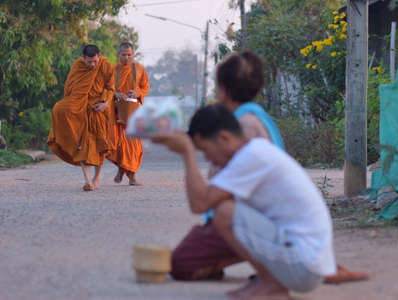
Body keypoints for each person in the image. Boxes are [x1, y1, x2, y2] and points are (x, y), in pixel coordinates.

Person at [170, 51, 368, 284]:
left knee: (181, 263)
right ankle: (318, 266)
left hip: (257, 218)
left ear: (222, 89)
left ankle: (292, 268)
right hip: (266, 217)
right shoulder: (257, 117)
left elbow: (207, 199)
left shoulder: (244, 126)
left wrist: (187, 153)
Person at [152, 104, 336, 299]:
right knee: (226, 210)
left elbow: (200, 204)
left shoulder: (252, 157)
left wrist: (187, 153)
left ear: (224, 138)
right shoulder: (254, 151)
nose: (207, 158)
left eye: (205, 150)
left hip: (302, 266)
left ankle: (272, 285)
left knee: (224, 212)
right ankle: (269, 281)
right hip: (305, 263)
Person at [47, 44, 114, 191]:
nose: (92, 65)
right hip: (81, 110)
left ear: (99, 56)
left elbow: (110, 87)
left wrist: (106, 103)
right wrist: (72, 106)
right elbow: (69, 88)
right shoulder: (78, 66)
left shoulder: (105, 65)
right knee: (82, 144)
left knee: (99, 144)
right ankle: (88, 181)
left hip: (98, 110)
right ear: (83, 58)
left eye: (95, 61)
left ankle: (96, 179)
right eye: (89, 62)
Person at [107, 42, 150, 186]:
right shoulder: (113, 70)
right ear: (119, 54)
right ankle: (121, 169)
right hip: (118, 113)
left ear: (133, 54)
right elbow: (107, 88)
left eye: (129, 54)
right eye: (123, 54)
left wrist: (138, 93)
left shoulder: (139, 69)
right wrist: (116, 94)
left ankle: (132, 176)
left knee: (134, 145)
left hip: (134, 112)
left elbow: (145, 87)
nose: (126, 57)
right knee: (120, 144)